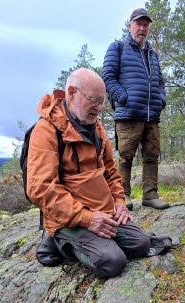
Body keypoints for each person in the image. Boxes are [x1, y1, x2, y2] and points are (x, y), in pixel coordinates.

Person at [27, 68, 150, 278]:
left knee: (141, 244)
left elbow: (111, 173)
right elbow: (40, 188)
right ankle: (59, 240)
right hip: (70, 217)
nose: (99, 109)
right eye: (94, 100)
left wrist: (119, 202)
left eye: (102, 102)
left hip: (102, 210)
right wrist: (86, 218)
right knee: (112, 262)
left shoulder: (98, 129)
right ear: (72, 93)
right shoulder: (46, 130)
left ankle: (94, 240)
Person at [102, 8, 169, 210]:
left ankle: (150, 195)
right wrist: (124, 98)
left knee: (152, 156)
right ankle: (122, 197)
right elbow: (107, 77)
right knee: (125, 157)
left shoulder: (152, 53)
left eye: (145, 24)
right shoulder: (118, 47)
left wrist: (161, 100)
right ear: (130, 25)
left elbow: (160, 81)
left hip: (151, 114)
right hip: (129, 114)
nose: (142, 28)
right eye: (138, 24)